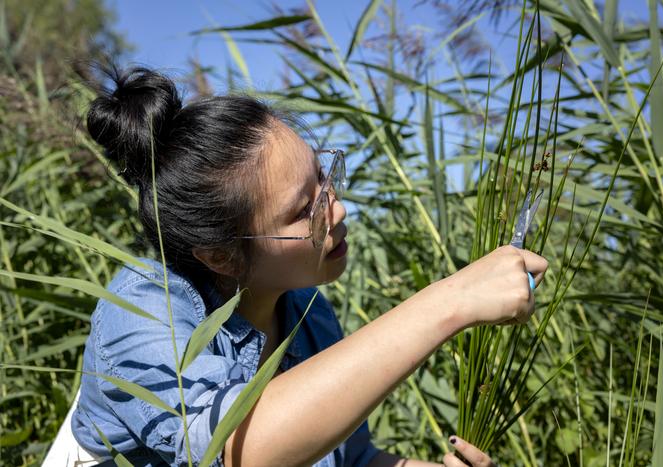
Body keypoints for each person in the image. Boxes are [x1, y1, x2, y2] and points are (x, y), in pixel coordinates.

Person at [71, 66, 548, 467]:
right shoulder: (142, 311)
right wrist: (452, 300)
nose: (337, 209)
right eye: (304, 210)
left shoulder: (308, 313)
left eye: (322, 175)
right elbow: (235, 448)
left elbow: (353, 460)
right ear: (219, 254)